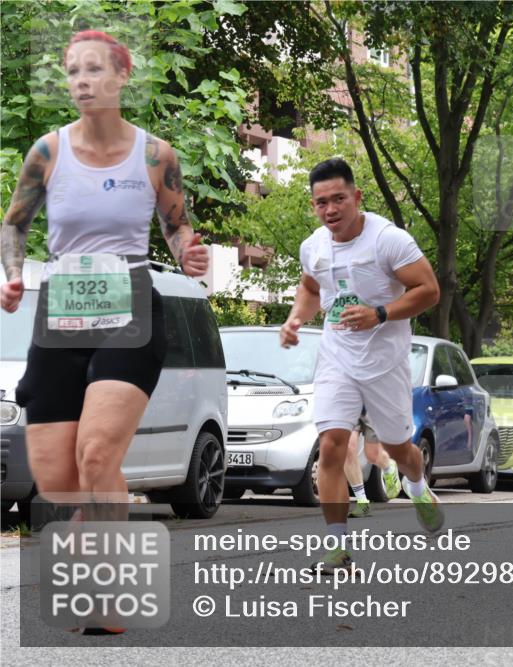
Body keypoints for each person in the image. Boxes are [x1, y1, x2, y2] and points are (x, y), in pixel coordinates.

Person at [0, 31, 208, 635]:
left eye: (93, 70)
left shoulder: (155, 156)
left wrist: (188, 253)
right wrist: (13, 274)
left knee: (97, 454)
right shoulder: (47, 152)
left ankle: (109, 595)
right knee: (57, 478)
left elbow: (177, 225)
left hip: (130, 309)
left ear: (122, 76)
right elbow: (14, 226)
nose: (81, 81)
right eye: (72, 72)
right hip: (61, 312)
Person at [280, 157, 441, 572]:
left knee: (398, 448)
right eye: (321, 203)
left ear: (357, 196)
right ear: (314, 206)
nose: (331, 209)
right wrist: (296, 318)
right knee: (332, 444)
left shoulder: (388, 240)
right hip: (337, 359)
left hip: (385, 362)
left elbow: (429, 290)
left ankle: (417, 486)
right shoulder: (313, 246)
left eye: (339, 199)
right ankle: (338, 546)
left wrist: (380, 314)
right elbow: (310, 288)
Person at [344, 415, 401, 518]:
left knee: (372, 455)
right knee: (348, 448)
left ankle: (388, 467)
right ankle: (362, 502)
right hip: (349, 407)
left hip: (371, 408)